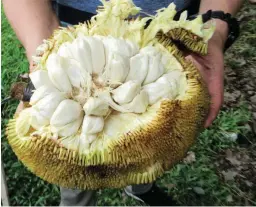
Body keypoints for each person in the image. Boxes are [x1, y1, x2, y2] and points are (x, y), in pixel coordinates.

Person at [3, 0, 243, 206]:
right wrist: (41, 47)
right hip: (70, 38)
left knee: (150, 150)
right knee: (77, 168)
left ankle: (141, 188)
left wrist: (216, 25)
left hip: (175, 47)